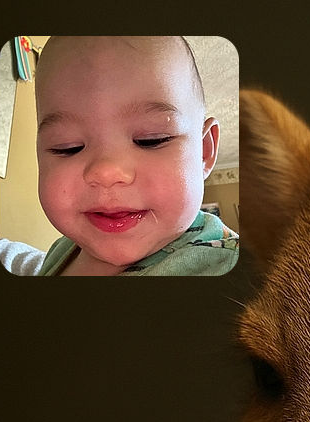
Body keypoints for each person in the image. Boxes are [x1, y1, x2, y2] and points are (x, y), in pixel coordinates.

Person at [33, 36, 238, 276]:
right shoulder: (62, 248)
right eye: (68, 147)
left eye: (150, 140)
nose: (106, 173)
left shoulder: (224, 266)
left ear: (204, 150)